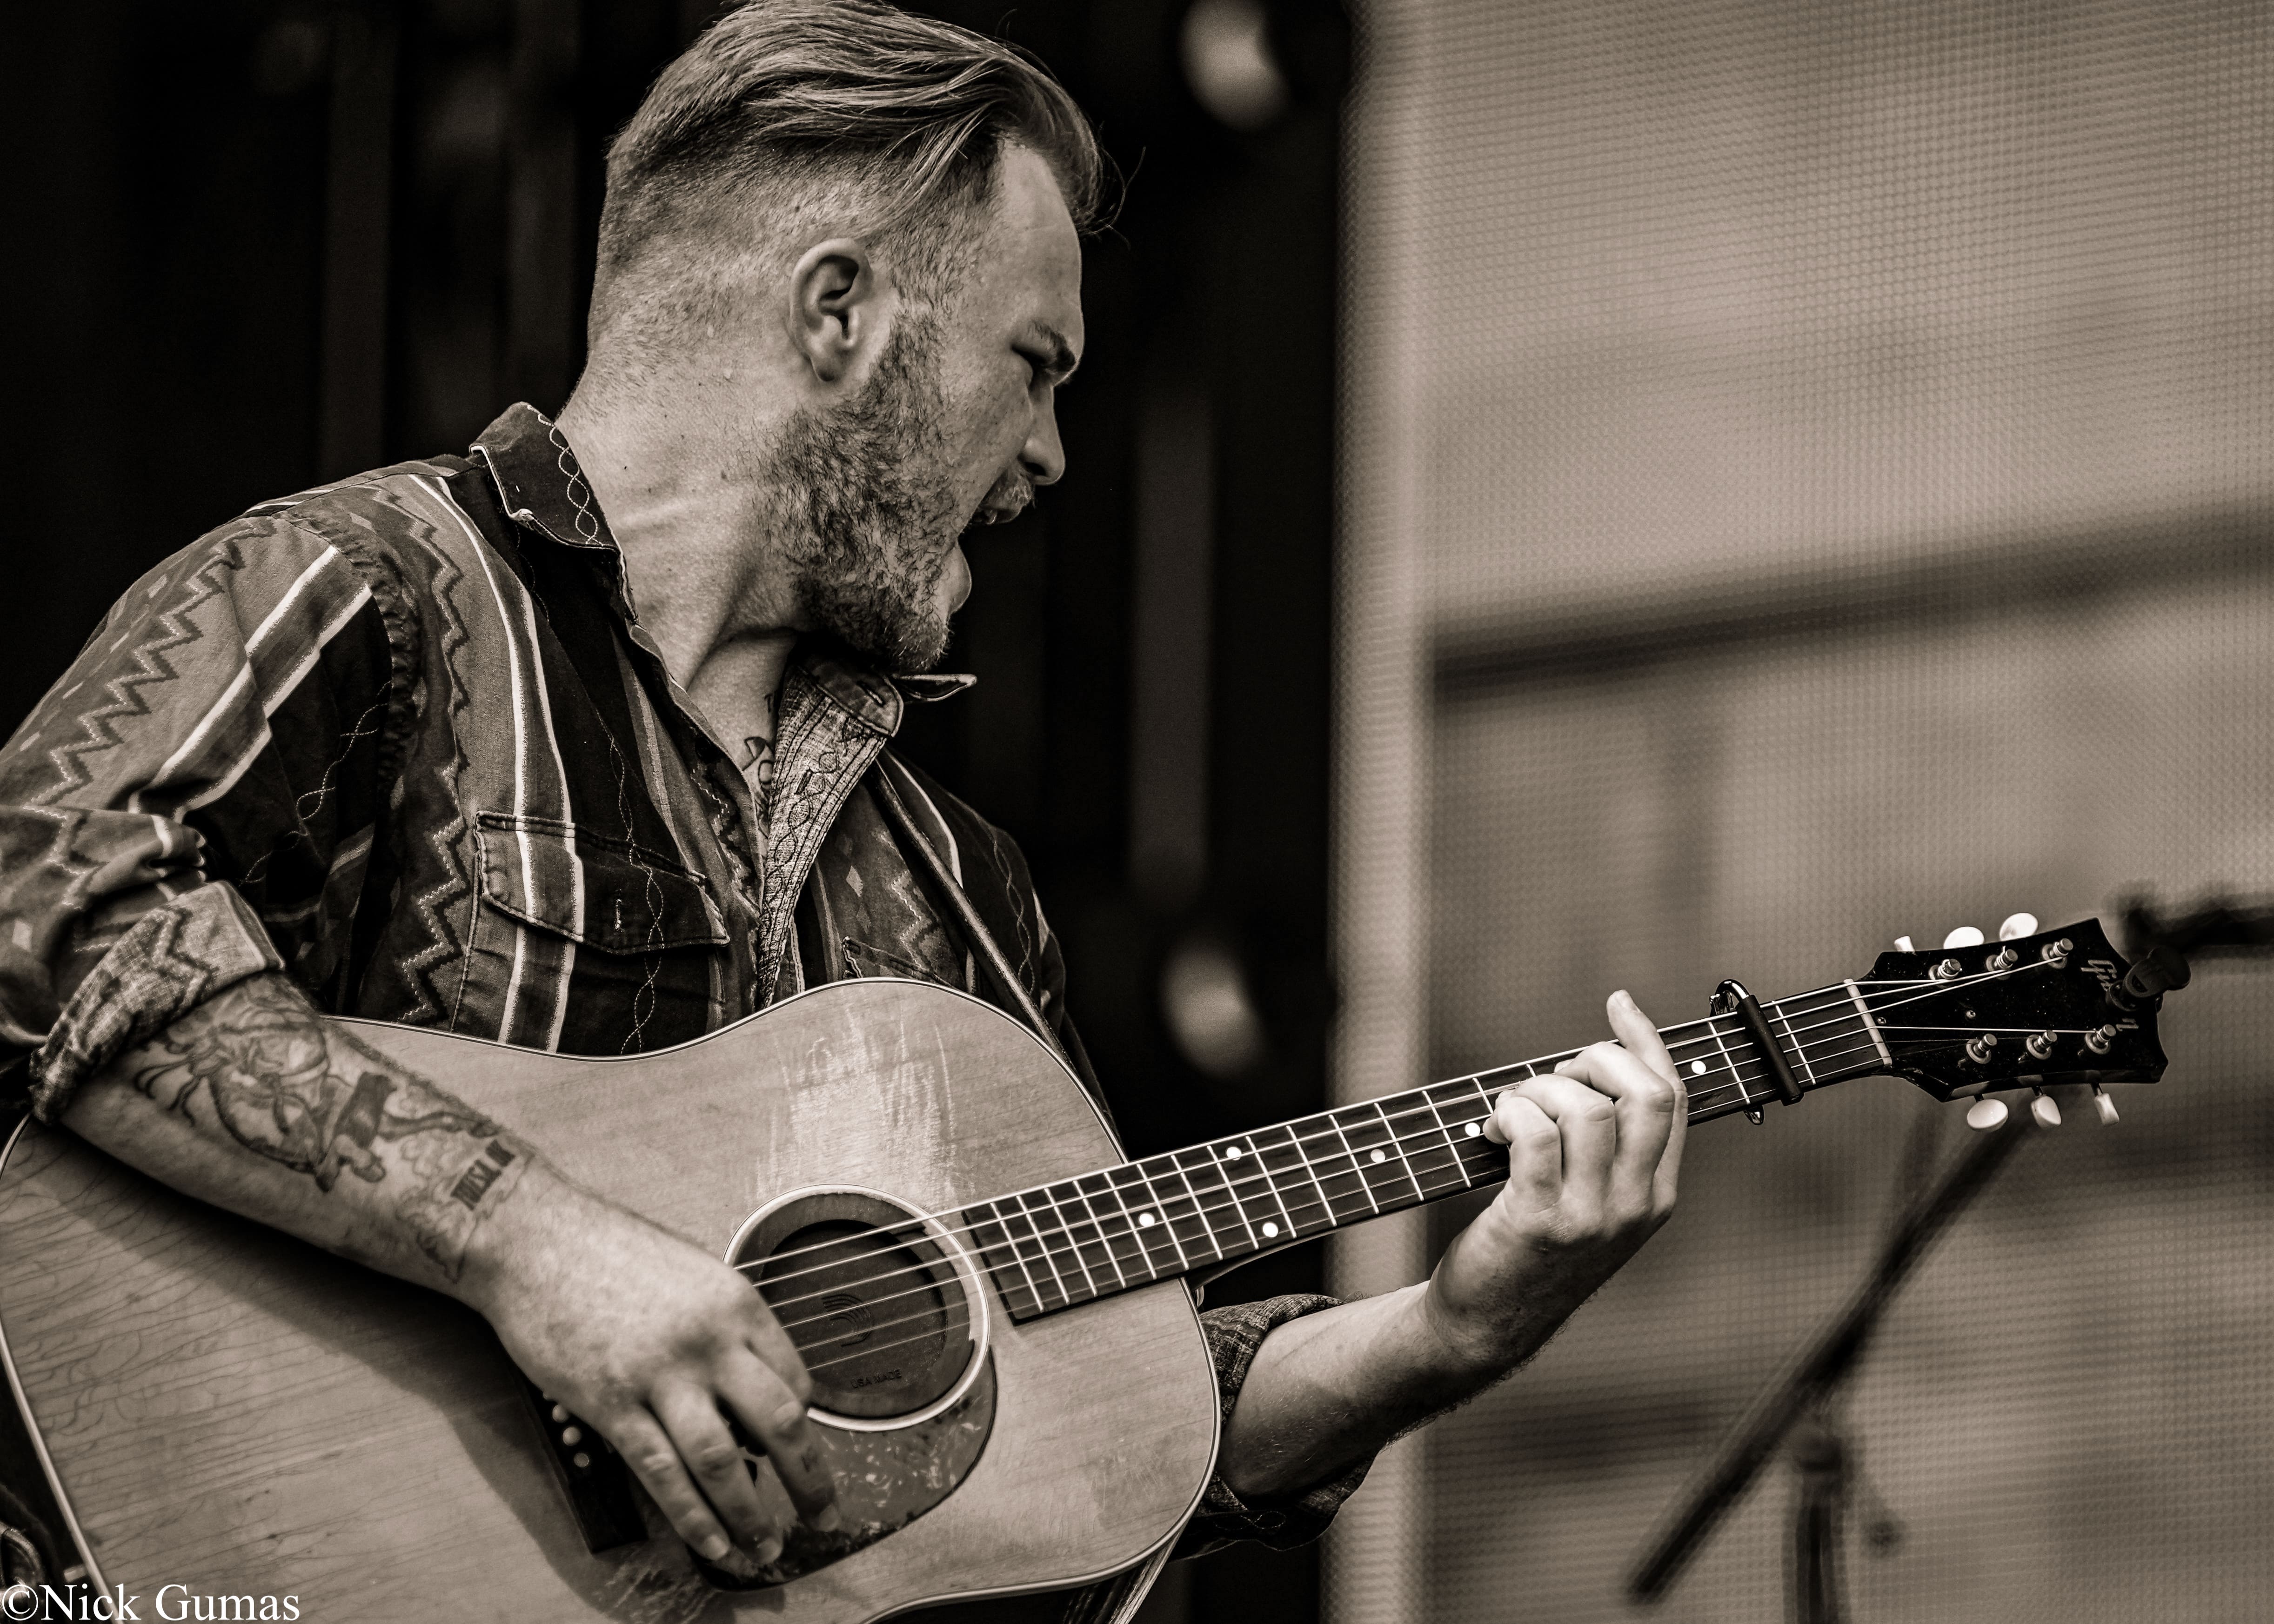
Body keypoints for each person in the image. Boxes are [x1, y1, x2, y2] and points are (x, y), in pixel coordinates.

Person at [0, 2, 1685, 1617]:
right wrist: (536, 1244)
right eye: (1034, 365)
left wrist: (1444, 1333)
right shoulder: (376, 588)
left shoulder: (956, 891)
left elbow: (1108, 1392)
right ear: (837, 314)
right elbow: (42, 905)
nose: (1052, 456)